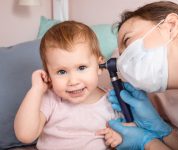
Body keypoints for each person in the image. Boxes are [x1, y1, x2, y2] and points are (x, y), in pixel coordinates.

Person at [98, 1, 178, 150]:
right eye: (121, 56)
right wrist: (162, 131)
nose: (122, 63)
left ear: (171, 25)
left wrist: (147, 143)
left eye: (127, 40)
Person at [14, 21, 124, 150]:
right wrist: (36, 90)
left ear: (99, 65)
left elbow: (128, 133)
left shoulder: (112, 100)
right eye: (62, 71)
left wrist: (118, 137)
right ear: (48, 75)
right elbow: (25, 135)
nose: (73, 81)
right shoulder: (50, 99)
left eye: (81, 68)